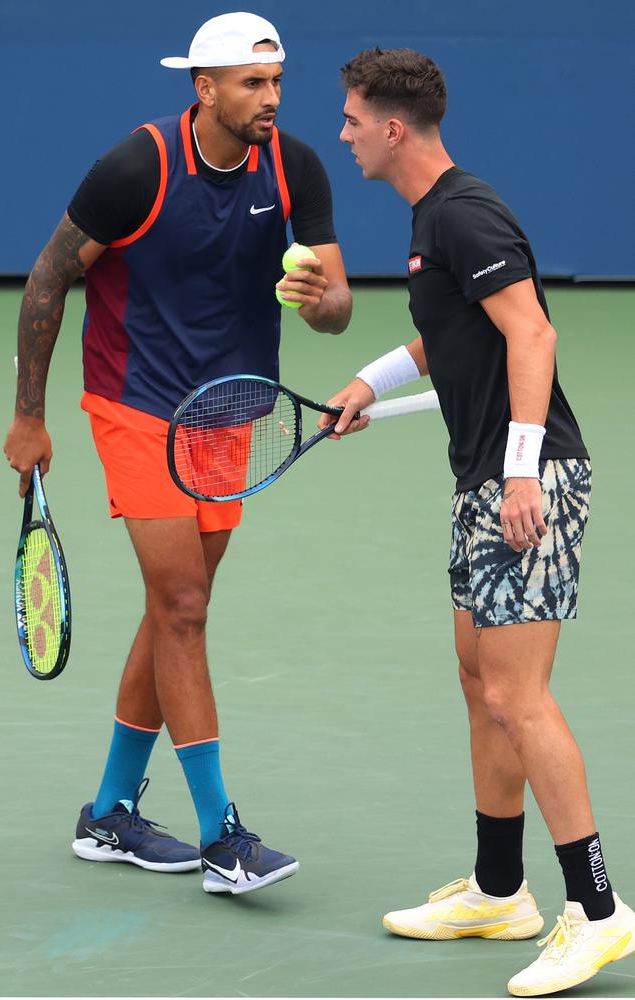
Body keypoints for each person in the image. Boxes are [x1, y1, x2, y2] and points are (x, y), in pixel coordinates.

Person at [3, 12, 352, 897]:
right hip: (134, 404)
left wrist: (319, 303)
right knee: (186, 603)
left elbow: (338, 303)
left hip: (230, 414)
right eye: (250, 84)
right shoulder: (136, 168)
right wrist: (29, 417)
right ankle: (223, 834)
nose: (270, 99)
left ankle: (110, 813)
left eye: (276, 82)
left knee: (173, 610)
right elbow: (48, 277)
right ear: (205, 88)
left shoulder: (295, 166)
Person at [320, 46, 635, 995]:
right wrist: (369, 383)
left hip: (524, 485)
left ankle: (601, 911)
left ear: (392, 127)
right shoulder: (431, 222)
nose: (340, 133)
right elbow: (449, 331)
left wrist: (522, 470)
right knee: (478, 678)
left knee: (517, 695)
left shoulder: (463, 210)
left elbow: (531, 329)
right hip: (484, 482)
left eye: (348, 118)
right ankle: (501, 891)